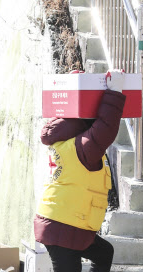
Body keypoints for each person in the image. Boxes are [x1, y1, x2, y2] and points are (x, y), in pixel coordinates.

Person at [34, 70, 126, 272]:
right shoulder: (82, 147)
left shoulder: (64, 140)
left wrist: (83, 83)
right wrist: (115, 92)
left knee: (103, 253)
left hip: (65, 221)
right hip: (63, 225)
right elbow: (105, 128)